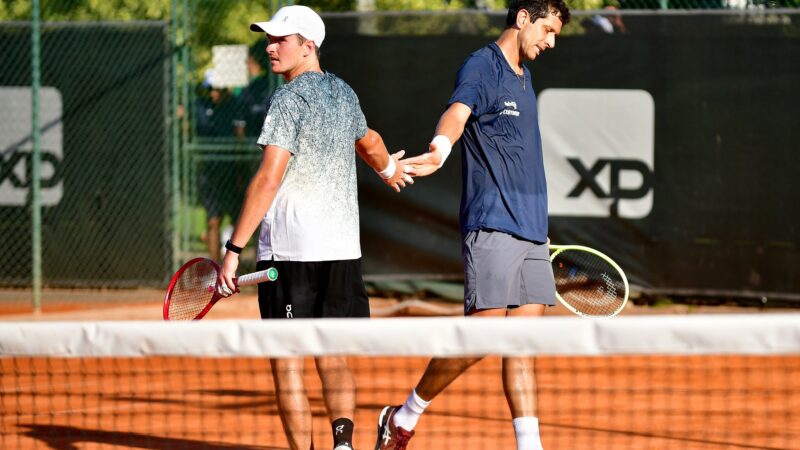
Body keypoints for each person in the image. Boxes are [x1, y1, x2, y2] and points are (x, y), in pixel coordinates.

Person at [375, 1, 570, 449]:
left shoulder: (526, 76)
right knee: (482, 333)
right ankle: (404, 415)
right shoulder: (482, 66)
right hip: (492, 222)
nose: (550, 41)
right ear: (522, 18)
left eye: (556, 34)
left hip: (531, 229)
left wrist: (538, 224)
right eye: (546, 29)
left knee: (521, 345)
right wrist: (441, 148)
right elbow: (458, 114)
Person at [215, 5, 412, 450]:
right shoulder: (343, 92)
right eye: (269, 38)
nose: (270, 46)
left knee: (287, 364)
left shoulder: (287, 98)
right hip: (342, 250)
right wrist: (388, 171)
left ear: (309, 46)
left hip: (291, 255)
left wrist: (233, 249)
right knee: (333, 355)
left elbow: (268, 179)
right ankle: (343, 446)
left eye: (281, 39)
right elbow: (372, 142)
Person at [194, 71, 245, 262]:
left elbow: (240, 137)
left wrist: (240, 170)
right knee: (213, 220)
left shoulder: (234, 107)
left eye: (217, 89)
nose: (213, 93)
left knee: (237, 220)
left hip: (232, 171)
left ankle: (231, 266)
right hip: (210, 173)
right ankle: (214, 269)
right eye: (210, 89)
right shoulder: (200, 107)